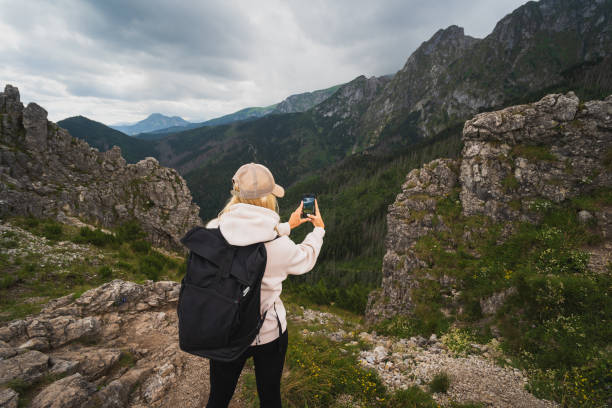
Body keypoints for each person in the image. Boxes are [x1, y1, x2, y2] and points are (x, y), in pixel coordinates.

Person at [204, 162, 325, 408]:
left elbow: (249, 235)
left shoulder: (212, 231)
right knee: (270, 398)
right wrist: (318, 231)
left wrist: (287, 227)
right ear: (269, 197)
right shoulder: (279, 247)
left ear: (236, 193)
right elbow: (305, 259)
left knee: (218, 398)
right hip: (268, 333)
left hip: (225, 330)